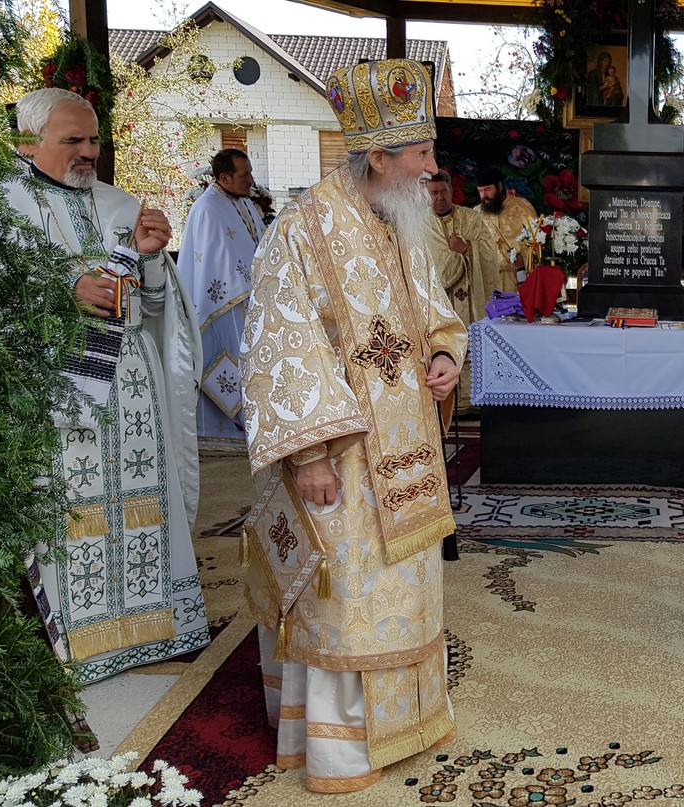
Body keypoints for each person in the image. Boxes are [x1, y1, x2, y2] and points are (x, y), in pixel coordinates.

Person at [240, 59, 465, 792]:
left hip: (409, 450)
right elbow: (283, 347)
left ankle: (412, 718)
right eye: (422, 155)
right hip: (343, 452)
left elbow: (433, 308)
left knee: (406, 585)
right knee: (349, 593)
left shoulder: (399, 219)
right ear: (381, 157)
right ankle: (340, 748)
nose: (434, 169)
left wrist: (441, 352)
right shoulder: (300, 230)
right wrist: (307, 453)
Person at [2, 88, 206, 683]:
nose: (89, 152)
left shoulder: (122, 205)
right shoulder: (1, 208)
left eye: (93, 140)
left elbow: (159, 302)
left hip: (134, 385)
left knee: (146, 500)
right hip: (62, 389)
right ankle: (83, 638)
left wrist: (148, 257)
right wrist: (61, 296)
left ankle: (157, 624)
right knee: (73, 509)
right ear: (29, 143)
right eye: (73, 141)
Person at [177, 148, 267, 451]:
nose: (251, 180)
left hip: (250, 299)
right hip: (223, 304)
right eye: (245, 175)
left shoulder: (246, 204)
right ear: (225, 177)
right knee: (229, 361)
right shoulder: (207, 208)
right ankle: (228, 431)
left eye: (251, 173)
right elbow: (214, 263)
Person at [426, 169, 500, 413]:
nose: (439, 197)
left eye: (444, 191)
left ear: (451, 191)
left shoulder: (471, 218)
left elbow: (490, 253)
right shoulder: (420, 223)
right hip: (438, 301)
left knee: (472, 345)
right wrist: (452, 257)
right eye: (434, 192)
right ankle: (448, 404)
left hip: (471, 299)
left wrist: (467, 248)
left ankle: (473, 400)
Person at [474, 166, 538, 291]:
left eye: (487, 189)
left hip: (515, 277)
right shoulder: (476, 213)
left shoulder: (522, 206)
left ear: (499, 186)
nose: (484, 195)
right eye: (480, 191)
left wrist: (523, 260)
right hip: (486, 278)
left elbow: (536, 241)